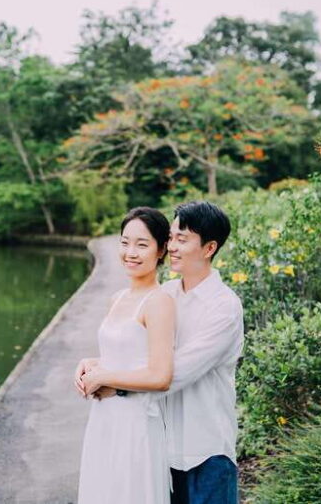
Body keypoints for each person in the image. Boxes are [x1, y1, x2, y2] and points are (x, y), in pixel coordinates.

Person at [95, 201, 244, 504]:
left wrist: (112, 382)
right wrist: (96, 364)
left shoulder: (223, 307)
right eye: (172, 237)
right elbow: (138, 352)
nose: (172, 246)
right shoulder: (168, 295)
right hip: (161, 448)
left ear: (209, 248)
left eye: (182, 239)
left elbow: (173, 373)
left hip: (206, 452)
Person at [74, 206, 176, 504]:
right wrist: (90, 364)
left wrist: (104, 375)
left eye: (142, 244)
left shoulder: (159, 302)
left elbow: (160, 375)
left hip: (135, 423)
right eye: (124, 242)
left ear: (161, 251)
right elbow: (125, 353)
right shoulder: (117, 298)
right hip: (104, 418)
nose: (130, 252)